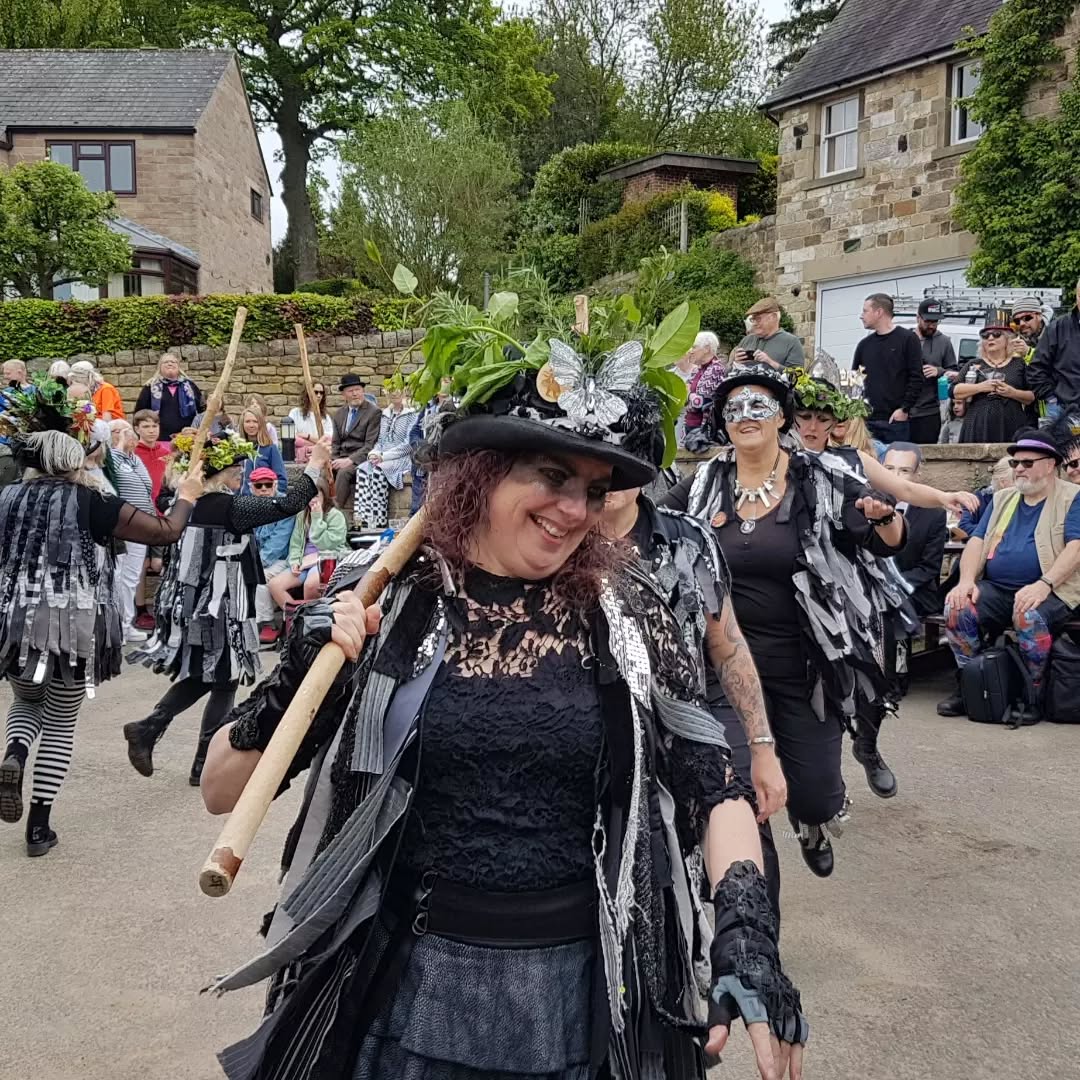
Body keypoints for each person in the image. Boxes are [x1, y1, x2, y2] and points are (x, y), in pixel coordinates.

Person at [201, 334, 808, 1080]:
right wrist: (302, 666)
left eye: (592, 488)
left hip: (583, 1000)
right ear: (480, 474)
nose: (575, 509)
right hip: (403, 994)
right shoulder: (387, 605)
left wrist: (746, 933)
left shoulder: (629, 612)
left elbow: (712, 783)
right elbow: (221, 789)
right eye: (552, 475)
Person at [662, 363, 906, 877]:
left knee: (816, 793)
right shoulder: (704, 482)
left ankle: (811, 822)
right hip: (721, 669)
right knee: (739, 798)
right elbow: (649, 524)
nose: (745, 416)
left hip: (805, 667)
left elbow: (884, 539)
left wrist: (886, 518)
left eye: (759, 406)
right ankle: (754, 922)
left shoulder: (819, 478)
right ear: (722, 423)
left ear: (781, 418)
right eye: (734, 409)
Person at [0, 381, 204, 857]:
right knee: (62, 719)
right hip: (72, 624)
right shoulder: (93, 501)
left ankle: (13, 756)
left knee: (26, 703)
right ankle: (38, 828)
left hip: (12, 621)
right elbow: (165, 531)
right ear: (74, 459)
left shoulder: (6, 499)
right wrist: (189, 494)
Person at [600, 472, 786, 921]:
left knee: (743, 827)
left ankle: (751, 947)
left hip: (698, 712)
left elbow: (727, 646)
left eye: (625, 455)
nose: (611, 472)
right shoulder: (552, 538)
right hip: (610, 723)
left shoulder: (688, 540)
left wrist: (761, 748)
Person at [124, 433, 332, 786]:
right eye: (236, 467)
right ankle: (171, 741)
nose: (241, 473)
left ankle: (166, 738)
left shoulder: (185, 501)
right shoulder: (228, 507)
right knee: (223, 677)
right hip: (217, 603)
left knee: (218, 677)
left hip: (195, 602)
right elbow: (287, 504)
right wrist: (315, 464)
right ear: (218, 472)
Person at [938, 428, 1080, 724]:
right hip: (998, 588)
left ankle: (1033, 695)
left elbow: (1076, 548)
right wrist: (965, 582)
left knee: (1029, 615)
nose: (1019, 469)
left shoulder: (1073, 497)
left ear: (1051, 464)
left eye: (1027, 463)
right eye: (1015, 463)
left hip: (1053, 589)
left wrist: (1044, 585)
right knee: (957, 607)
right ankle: (972, 686)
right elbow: (976, 541)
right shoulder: (1003, 498)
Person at [109, 419, 158, 644]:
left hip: (141, 523)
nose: (125, 435)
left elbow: (146, 486)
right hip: (124, 524)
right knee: (119, 576)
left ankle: (127, 624)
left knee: (130, 578)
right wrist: (119, 444)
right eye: (117, 432)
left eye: (126, 431)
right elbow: (116, 471)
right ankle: (118, 625)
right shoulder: (110, 457)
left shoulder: (134, 458)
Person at [853, 293, 923, 445]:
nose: (861, 316)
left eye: (865, 311)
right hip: (867, 422)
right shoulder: (864, 345)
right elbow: (854, 381)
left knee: (896, 465)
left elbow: (916, 377)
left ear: (879, 312)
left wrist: (904, 409)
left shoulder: (908, 339)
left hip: (895, 422)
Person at [267, 478, 348, 606]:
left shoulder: (335, 516)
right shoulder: (302, 515)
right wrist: (294, 561)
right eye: (309, 496)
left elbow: (327, 545)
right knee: (274, 585)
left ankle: (312, 619)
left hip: (326, 559)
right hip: (304, 561)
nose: (312, 500)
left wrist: (316, 518)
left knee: (311, 585)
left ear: (324, 495)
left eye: (316, 496)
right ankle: (295, 617)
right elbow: (296, 544)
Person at [954, 315, 1034, 444]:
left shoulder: (1019, 364)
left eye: (997, 334)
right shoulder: (973, 364)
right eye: (986, 335)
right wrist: (981, 387)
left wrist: (1012, 392)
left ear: (1008, 339)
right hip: (977, 423)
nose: (990, 338)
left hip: (1011, 422)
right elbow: (954, 390)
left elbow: (1031, 397)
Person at [352, 382, 418, 528]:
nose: (394, 393)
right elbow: (380, 441)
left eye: (397, 390)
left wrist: (384, 457)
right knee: (362, 470)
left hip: (401, 458)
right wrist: (374, 454)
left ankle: (378, 520)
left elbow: (408, 445)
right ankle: (362, 520)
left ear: (404, 391)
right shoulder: (385, 415)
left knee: (377, 471)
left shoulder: (412, 415)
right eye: (391, 390)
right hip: (382, 456)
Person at [249, 466, 297, 644]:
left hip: (281, 559)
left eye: (268, 485)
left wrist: (256, 562)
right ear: (252, 487)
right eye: (259, 486)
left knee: (260, 579)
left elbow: (278, 543)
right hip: (258, 557)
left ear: (275, 485)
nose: (263, 489)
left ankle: (268, 623)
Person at [330, 373, 382, 513]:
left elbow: (370, 445)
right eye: (350, 391)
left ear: (362, 390)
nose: (355, 394)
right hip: (341, 457)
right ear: (343, 394)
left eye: (357, 390)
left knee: (343, 473)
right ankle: (315, 512)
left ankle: (334, 514)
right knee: (321, 472)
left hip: (360, 459)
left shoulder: (374, 412)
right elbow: (335, 443)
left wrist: (349, 460)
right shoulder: (339, 414)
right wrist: (333, 461)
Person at [1029, 278, 1080, 419]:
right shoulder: (1057, 328)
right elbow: (1036, 369)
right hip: (1064, 411)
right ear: (1077, 297)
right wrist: (1052, 399)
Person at [911, 299, 958, 443]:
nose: (931, 325)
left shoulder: (944, 342)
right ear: (918, 318)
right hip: (904, 410)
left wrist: (938, 371)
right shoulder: (904, 338)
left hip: (930, 411)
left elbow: (954, 373)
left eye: (935, 322)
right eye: (928, 321)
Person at [407, 376, 454, 515]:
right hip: (424, 456)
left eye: (448, 380)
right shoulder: (428, 407)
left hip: (443, 455)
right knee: (418, 462)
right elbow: (414, 432)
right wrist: (419, 446)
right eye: (442, 380)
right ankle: (415, 514)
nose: (445, 384)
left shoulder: (457, 406)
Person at [134, 353, 204, 441]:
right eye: (166, 362)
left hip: (188, 437)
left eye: (173, 362)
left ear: (178, 367)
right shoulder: (150, 387)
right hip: (159, 438)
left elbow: (202, 410)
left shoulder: (190, 386)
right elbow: (140, 412)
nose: (170, 364)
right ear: (160, 367)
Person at [731, 297, 804, 370]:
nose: (754, 323)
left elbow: (798, 377)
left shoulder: (791, 342)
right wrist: (735, 363)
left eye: (758, 319)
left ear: (773, 317)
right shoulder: (747, 340)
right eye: (753, 319)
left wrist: (770, 363)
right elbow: (727, 374)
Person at [953, 456, 1013, 540]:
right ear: (1002, 482)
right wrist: (998, 530)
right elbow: (964, 527)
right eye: (1016, 479)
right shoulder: (979, 497)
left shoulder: (1025, 499)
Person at [681, 331, 726, 443]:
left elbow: (699, 404)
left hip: (704, 430)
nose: (691, 351)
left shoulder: (716, 369)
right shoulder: (697, 369)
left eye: (694, 347)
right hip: (690, 425)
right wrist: (690, 397)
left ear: (706, 349)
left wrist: (688, 396)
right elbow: (682, 394)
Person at [240, 407, 287, 494]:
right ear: (242, 424)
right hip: (236, 501)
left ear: (261, 424)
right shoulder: (237, 449)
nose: (251, 425)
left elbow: (282, 480)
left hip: (262, 501)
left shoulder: (270, 449)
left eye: (255, 421)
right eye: (247, 421)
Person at [288, 381, 335, 463]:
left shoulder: (325, 417)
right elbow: (293, 439)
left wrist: (307, 436)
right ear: (307, 393)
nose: (319, 395)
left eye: (321, 393)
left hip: (321, 458)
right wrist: (318, 444)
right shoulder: (295, 413)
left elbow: (329, 441)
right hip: (301, 458)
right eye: (316, 392)